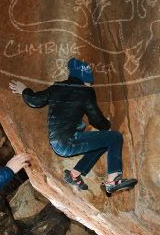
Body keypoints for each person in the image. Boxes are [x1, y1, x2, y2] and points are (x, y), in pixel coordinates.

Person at [9, 57, 137, 196]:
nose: (91, 84)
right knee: (114, 137)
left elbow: (35, 101)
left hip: (57, 142)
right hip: (69, 141)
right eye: (89, 81)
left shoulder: (57, 87)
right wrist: (106, 125)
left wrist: (24, 90)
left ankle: (74, 174)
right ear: (83, 77)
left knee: (102, 142)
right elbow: (96, 120)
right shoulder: (85, 92)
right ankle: (113, 181)